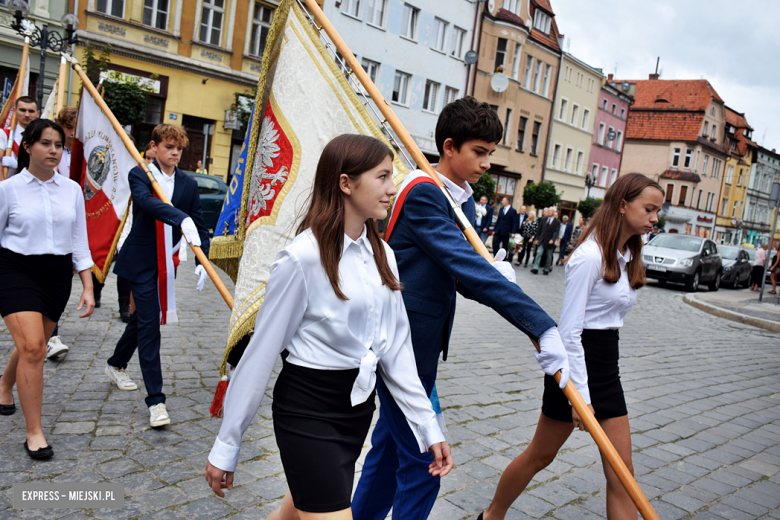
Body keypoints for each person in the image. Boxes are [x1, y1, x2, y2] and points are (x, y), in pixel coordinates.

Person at [205, 134, 453, 519]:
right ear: (346, 183)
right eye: (383, 177)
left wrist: (427, 427)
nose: (392, 188)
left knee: (293, 512)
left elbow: (397, 353)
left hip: (355, 414)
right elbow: (261, 354)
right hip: (308, 413)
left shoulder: (383, 254)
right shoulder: (302, 258)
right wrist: (227, 444)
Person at [352, 96, 569, 520]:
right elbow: (463, 265)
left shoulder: (462, 199)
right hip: (400, 345)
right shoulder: (422, 192)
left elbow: (459, 277)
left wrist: (492, 269)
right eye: (480, 152)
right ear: (449, 147)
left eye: (491, 152)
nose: (488, 162)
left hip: (421, 347)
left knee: (386, 455)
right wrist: (540, 324)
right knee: (423, 463)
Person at [479, 173, 664, 520]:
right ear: (623, 205)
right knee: (540, 455)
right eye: (649, 209)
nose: (655, 218)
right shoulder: (589, 257)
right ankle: (492, 515)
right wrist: (578, 393)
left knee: (622, 474)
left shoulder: (627, 255)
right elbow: (569, 331)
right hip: (575, 367)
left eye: (657, 211)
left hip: (608, 369)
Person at [104, 124, 210, 427]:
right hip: (139, 262)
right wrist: (180, 217)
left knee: (142, 320)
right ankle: (156, 401)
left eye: (179, 148)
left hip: (167, 264)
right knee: (151, 326)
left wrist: (201, 260)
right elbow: (147, 204)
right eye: (168, 147)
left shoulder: (188, 184)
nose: (174, 153)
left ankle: (115, 363)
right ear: (154, 147)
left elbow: (198, 222)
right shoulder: (142, 174)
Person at [0, 118, 95, 458]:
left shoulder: (71, 189)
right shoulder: (8, 189)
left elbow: (79, 243)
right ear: (28, 147)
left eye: (59, 145)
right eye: (46, 143)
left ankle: (3, 384)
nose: (54, 150)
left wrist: (87, 286)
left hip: (56, 276)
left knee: (32, 346)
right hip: (15, 270)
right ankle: (34, 432)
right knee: (34, 348)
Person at [43, 107, 81, 360]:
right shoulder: (55, 153)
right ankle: (50, 336)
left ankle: (48, 331)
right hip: (45, 219)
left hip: (68, 219)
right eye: (68, 128)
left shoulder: (80, 154)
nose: (71, 134)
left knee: (59, 278)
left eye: (74, 129)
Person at [1, 96, 40, 177]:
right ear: (15, 111)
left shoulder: (41, 137)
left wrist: (18, 164)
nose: (27, 115)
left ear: (38, 114)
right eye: (22, 110)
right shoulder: (4, 134)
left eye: (31, 111)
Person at [532, 208, 560, 275]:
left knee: (549, 256)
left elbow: (556, 232)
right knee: (539, 253)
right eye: (548, 211)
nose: (549, 212)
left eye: (550, 211)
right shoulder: (544, 219)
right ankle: (535, 268)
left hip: (550, 241)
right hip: (542, 240)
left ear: (554, 212)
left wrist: (553, 239)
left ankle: (546, 269)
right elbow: (540, 230)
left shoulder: (557, 222)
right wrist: (537, 239)